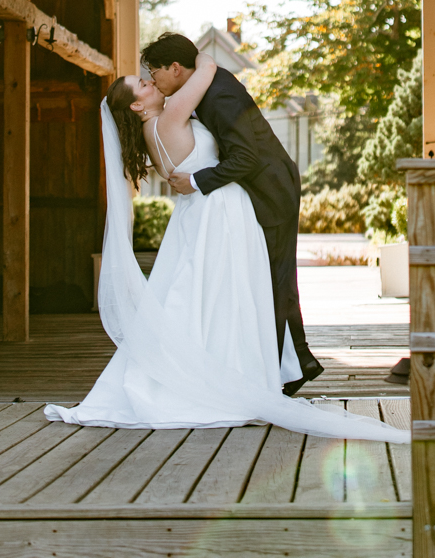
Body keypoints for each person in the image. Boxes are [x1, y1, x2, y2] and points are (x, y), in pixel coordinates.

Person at [43, 51, 397, 444]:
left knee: (200, 298)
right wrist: (188, 58)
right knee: (225, 297)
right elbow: (208, 66)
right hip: (220, 214)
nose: (150, 82)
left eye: (148, 76)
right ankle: (230, 377)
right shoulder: (172, 115)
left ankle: (210, 373)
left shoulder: (153, 130)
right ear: (138, 105)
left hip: (198, 215)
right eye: (142, 84)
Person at [143, 31, 321, 395]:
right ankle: (291, 366)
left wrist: (196, 181)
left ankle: (286, 371)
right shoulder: (206, 84)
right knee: (267, 282)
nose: (153, 79)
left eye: (154, 71)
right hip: (259, 188)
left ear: (175, 68)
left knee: (275, 282)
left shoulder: (219, 94)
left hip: (271, 191)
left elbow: (246, 157)